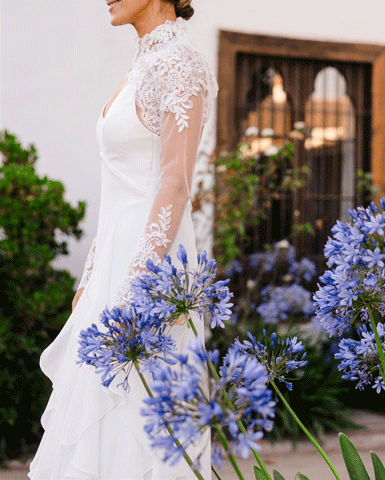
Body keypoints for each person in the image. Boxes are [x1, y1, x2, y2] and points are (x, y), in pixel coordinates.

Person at [28, 0, 218, 478]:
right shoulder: (144, 62)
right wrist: (92, 276)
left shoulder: (180, 63)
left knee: (138, 417)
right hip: (114, 261)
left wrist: (138, 291)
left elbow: (174, 183)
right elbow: (118, 189)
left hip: (148, 269)